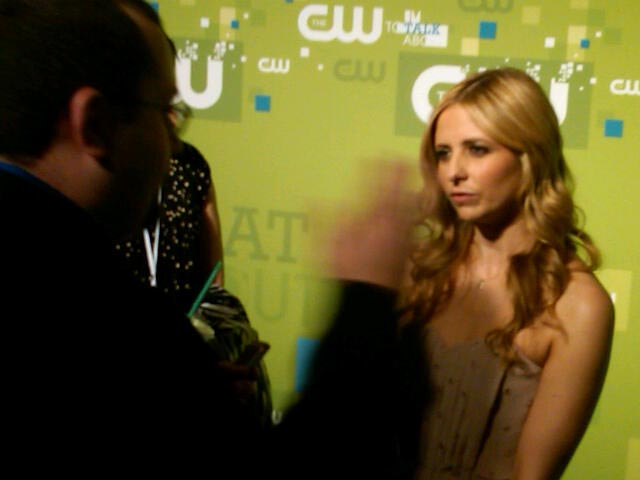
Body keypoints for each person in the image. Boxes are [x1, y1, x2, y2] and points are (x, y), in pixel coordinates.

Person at [0, 1, 425, 477]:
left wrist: (183, 398)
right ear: (95, 124)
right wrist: (365, 303)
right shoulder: (107, 315)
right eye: (166, 112)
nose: (174, 144)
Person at [402, 67, 614, 479]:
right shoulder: (418, 272)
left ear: (529, 157)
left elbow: (531, 473)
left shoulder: (576, 303)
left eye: (477, 149)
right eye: (443, 153)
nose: (454, 171)